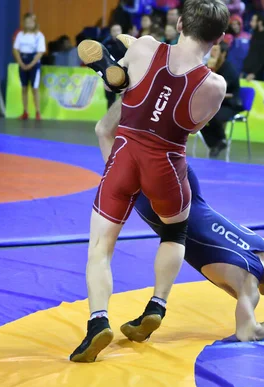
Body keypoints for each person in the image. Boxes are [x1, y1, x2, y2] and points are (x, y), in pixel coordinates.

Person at [94, 99, 264, 340]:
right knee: (106, 133)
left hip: (187, 186)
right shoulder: (247, 284)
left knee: (147, 135)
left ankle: (142, 87)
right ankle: (136, 85)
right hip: (159, 207)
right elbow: (245, 332)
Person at [70, 0, 229, 363]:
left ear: (180, 23)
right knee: (175, 233)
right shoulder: (214, 85)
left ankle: (98, 323)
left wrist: (128, 76)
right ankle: (157, 304)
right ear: (218, 37)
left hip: (125, 154)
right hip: (167, 165)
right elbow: (191, 126)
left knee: (100, 247)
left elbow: (130, 102)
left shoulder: (145, 46)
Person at [203, 41, 243, 158]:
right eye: (212, 50)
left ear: (224, 53)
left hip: (230, 104)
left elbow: (219, 89)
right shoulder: (211, 66)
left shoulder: (228, 69)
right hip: (216, 103)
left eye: (216, 51)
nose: (212, 53)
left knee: (212, 114)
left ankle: (221, 141)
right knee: (198, 118)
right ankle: (217, 144)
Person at [13, 13, 46, 121]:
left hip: (34, 63)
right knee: (24, 88)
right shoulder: (20, 35)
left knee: (34, 88)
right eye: (26, 22)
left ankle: (37, 112)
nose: (29, 24)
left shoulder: (39, 35)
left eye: (31, 22)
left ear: (35, 23)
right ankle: (25, 111)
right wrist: (21, 63)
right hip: (23, 61)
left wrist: (31, 64)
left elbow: (40, 52)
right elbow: (16, 49)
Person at [242, 13, 264, 81]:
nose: (250, 23)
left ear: (260, 22)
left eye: (253, 21)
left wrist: (254, 73)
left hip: (257, 76)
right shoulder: (254, 35)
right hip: (246, 73)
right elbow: (251, 54)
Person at [102, 24, 126, 108]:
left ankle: (123, 118)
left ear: (122, 31)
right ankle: (109, 118)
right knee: (110, 98)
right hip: (110, 73)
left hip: (124, 73)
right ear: (110, 32)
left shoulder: (126, 44)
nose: (116, 32)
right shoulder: (106, 44)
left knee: (124, 97)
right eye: (114, 30)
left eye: (118, 30)